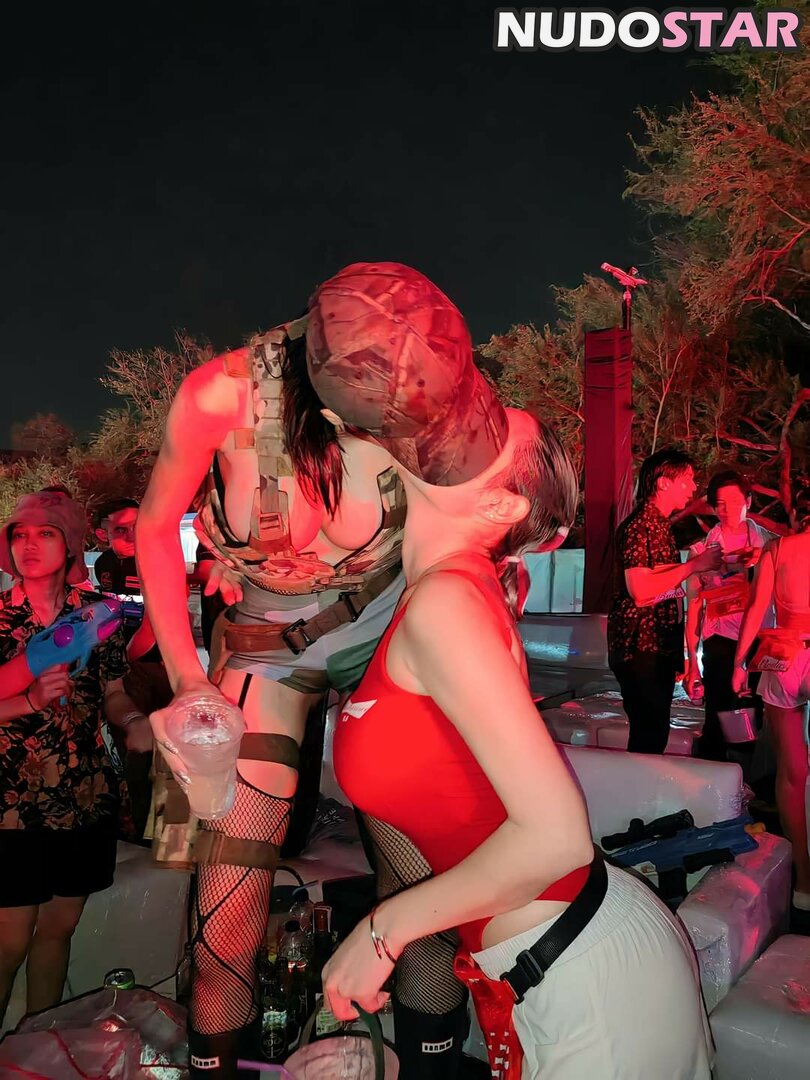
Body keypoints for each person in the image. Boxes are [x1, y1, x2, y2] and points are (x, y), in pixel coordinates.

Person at [137, 263, 505, 1078]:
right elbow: (155, 528)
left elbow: (480, 523)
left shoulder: (424, 392)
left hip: (390, 636)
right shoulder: (219, 395)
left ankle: (431, 1064)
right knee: (226, 904)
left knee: (418, 883)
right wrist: (186, 676)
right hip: (265, 647)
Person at [324, 409, 713, 1079]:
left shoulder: (447, 600)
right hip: (550, 959)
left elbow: (557, 840)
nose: (464, 416)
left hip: (583, 968)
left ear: (501, 504)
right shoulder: (447, 588)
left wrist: (382, 933)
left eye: (490, 429)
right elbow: (351, 443)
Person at [0, 489, 150, 1026]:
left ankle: (39, 1045)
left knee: (58, 930)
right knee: (9, 940)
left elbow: (113, 693)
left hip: (84, 793)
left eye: (45, 534)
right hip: (12, 800)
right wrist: (29, 700)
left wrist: (135, 721)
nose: (28, 545)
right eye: (19, 534)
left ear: (70, 545)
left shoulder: (96, 617)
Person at [608, 449, 722, 754]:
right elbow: (640, 589)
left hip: (656, 647)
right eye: (687, 479)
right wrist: (694, 566)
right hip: (641, 647)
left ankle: (643, 783)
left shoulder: (659, 525)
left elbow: (661, 583)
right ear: (663, 482)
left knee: (653, 732)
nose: (693, 487)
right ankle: (639, 785)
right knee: (649, 734)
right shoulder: (640, 526)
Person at [733, 486, 810, 923]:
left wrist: (739, 663)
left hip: (784, 659)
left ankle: (803, 881)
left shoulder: (777, 550)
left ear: (797, 514)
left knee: (792, 774)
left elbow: (756, 608)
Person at [686, 470, 776, 761]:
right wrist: (692, 663)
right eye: (720, 504)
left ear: (748, 501)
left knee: (755, 719)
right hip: (720, 640)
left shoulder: (771, 545)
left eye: (735, 502)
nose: (727, 510)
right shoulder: (701, 551)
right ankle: (713, 773)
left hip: (760, 640)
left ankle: (749, 776)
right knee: (718, 714)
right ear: (713, 507)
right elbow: (694, 609)